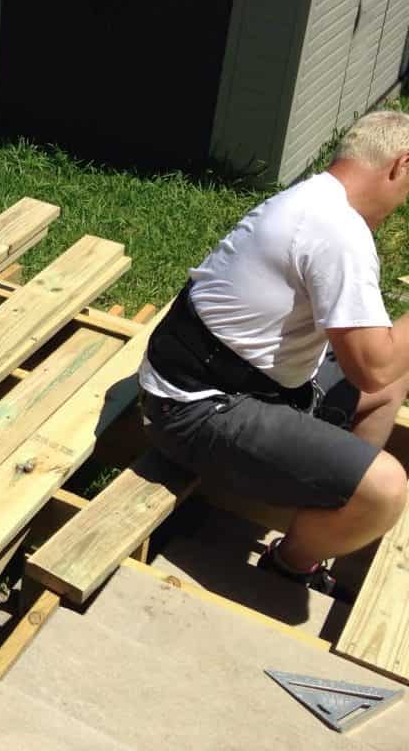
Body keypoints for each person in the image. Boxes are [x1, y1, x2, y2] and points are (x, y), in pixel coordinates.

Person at [139, 109, 409, 595]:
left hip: (231, 377)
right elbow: (373, 366)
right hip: (195, 408)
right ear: (400, 165)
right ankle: (292, 561)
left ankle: (330, 493)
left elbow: (379, 369)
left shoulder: (315, 197)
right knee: (387, 490)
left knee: (393, 387)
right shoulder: (337, 231)